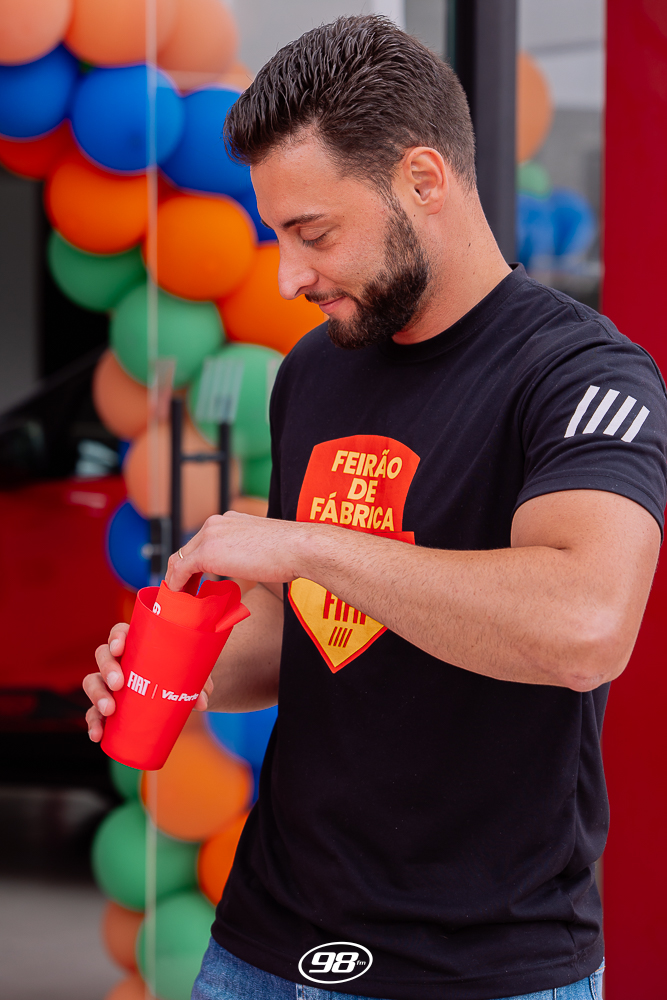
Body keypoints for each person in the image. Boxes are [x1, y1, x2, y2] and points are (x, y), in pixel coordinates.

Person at [84, 15, 667, 1000]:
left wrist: (309, 545)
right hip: (262, 942)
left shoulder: (581, 374)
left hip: (479, 965)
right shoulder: (314, 369)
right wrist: (183, 675)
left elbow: (583, 627)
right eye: (278, 235)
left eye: (313, 233)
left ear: (423, 179)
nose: (289, 276)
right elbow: (305, 631)